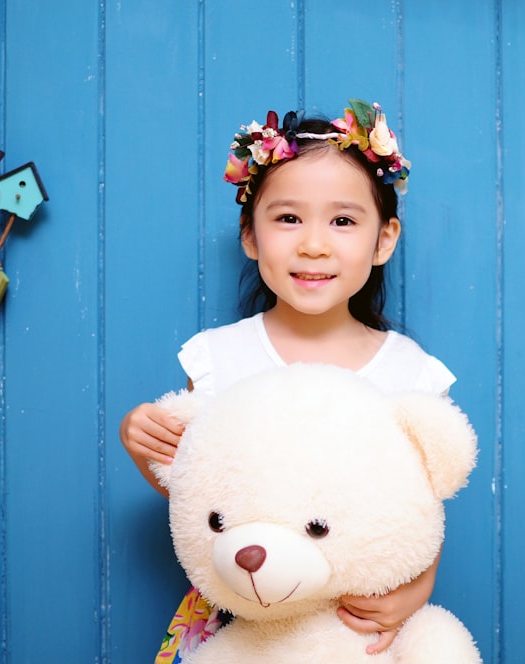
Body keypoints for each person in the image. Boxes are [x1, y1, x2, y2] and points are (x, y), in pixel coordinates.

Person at [121, 98, 456, 662]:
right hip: (241, 620)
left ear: (384, 239)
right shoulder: (217, 358)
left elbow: (421, 506)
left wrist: (416, 589)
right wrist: (144, 443)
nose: (314, 244)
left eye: (343, 220)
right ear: (250, 237)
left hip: (357, 627)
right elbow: (205, 494)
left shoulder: (410, 373)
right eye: (288, 218)